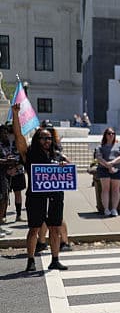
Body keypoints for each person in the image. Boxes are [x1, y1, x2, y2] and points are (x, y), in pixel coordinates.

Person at [11, 104, 68, 272]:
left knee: (55, 229)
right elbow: (19, 135)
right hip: (36, 197)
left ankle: (55, 259)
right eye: (43, 138)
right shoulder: (29, 154)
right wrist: (15, 114)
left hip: (55, 196)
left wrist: (64, 167)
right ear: (37, 139)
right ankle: (30, 260)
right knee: (34, 228)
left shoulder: (56, 154)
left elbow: (67, 169)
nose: (47, 141)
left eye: (49, 138)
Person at [94, 127, 120, 217]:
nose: (111, 135)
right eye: (109, 133)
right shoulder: (100, 146)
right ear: (105, 135)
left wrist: (113, 163)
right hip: (103, 168)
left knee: (116, 189)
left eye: (113, 133)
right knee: (105, 188)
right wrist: (108, 165)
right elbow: (99, 158)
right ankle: (106, 209)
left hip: (117, 168)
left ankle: (114, 209)